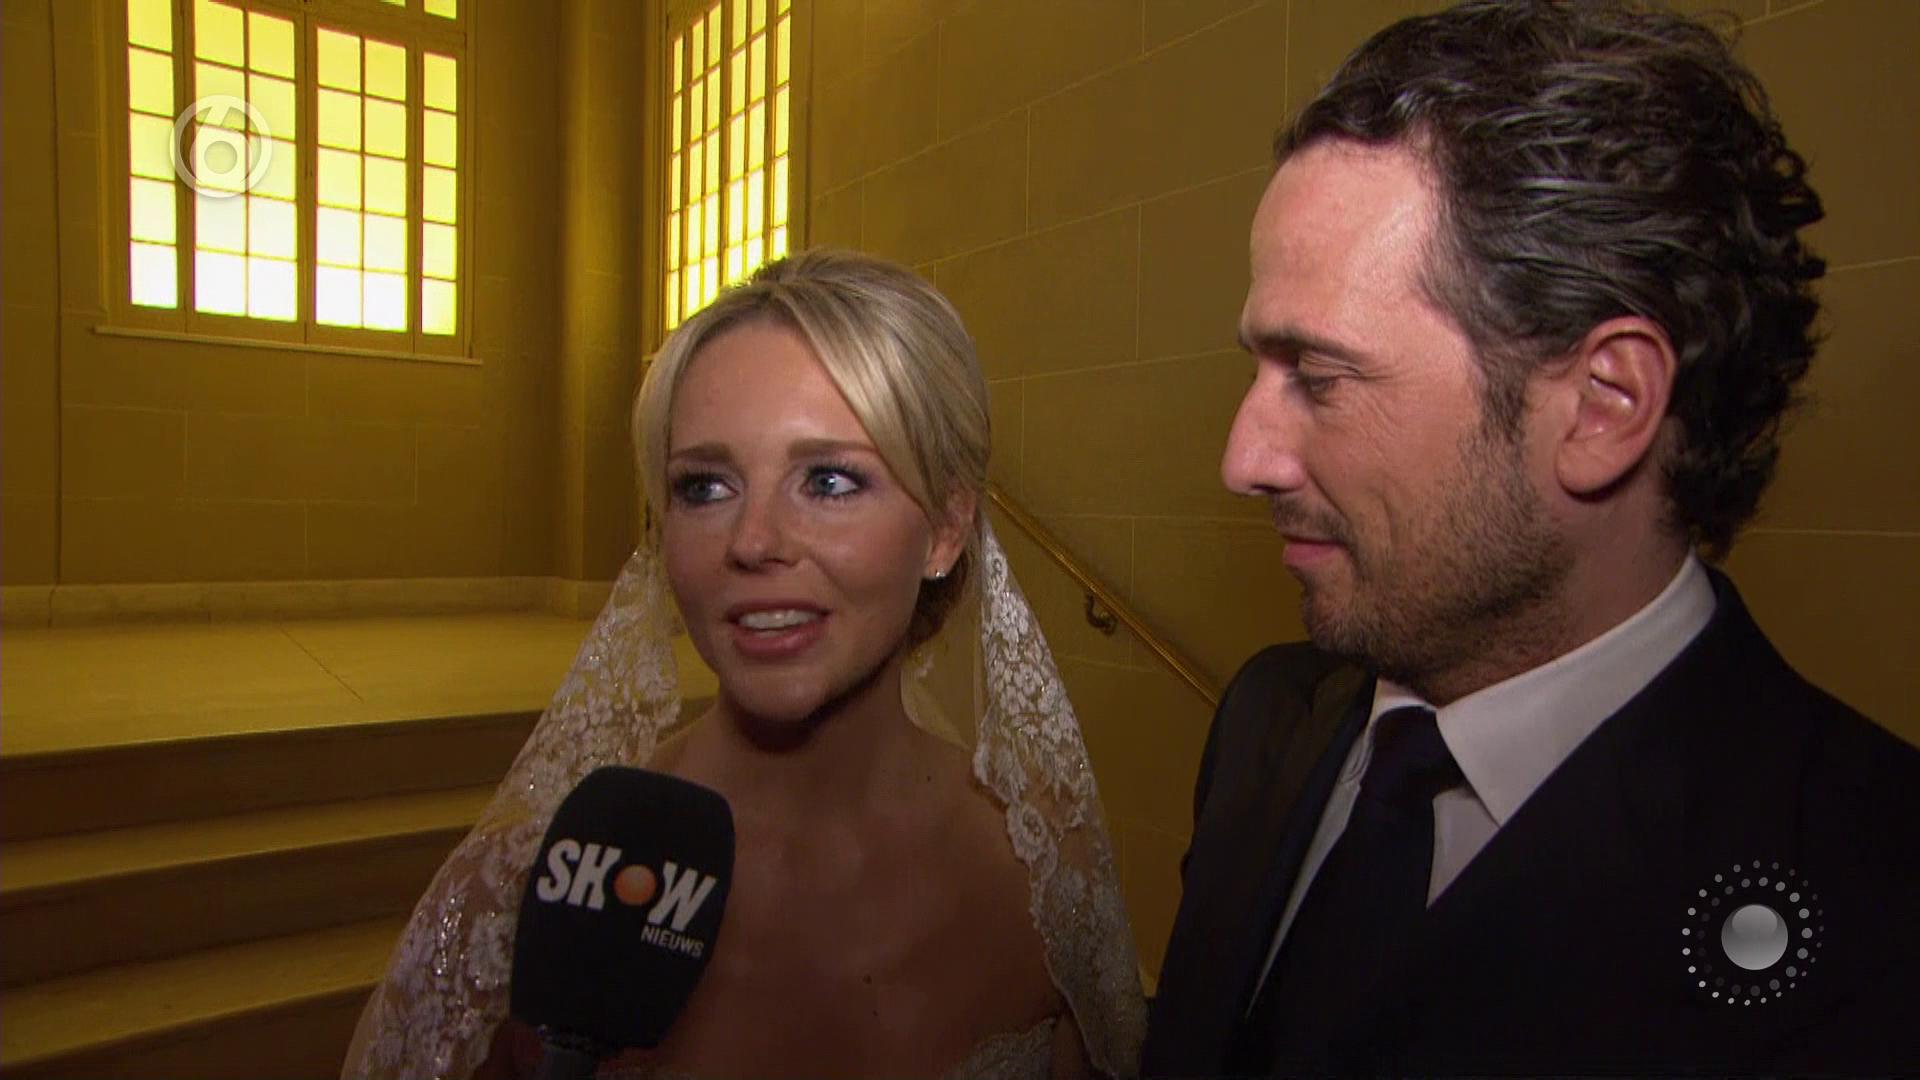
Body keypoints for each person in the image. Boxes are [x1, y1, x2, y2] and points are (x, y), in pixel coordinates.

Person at [1142, 1, 1920, 1075]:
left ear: (1603, 405)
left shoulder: (1877, 906)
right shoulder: (1267, 720)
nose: (1245, 459)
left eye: (1318, 377)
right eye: (1257, 369)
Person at [345, 251, 1146, 1079]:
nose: (754, 541)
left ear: (946, 530)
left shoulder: (1041, 875)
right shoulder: (532, 891)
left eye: (828, 480)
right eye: (705, 488)